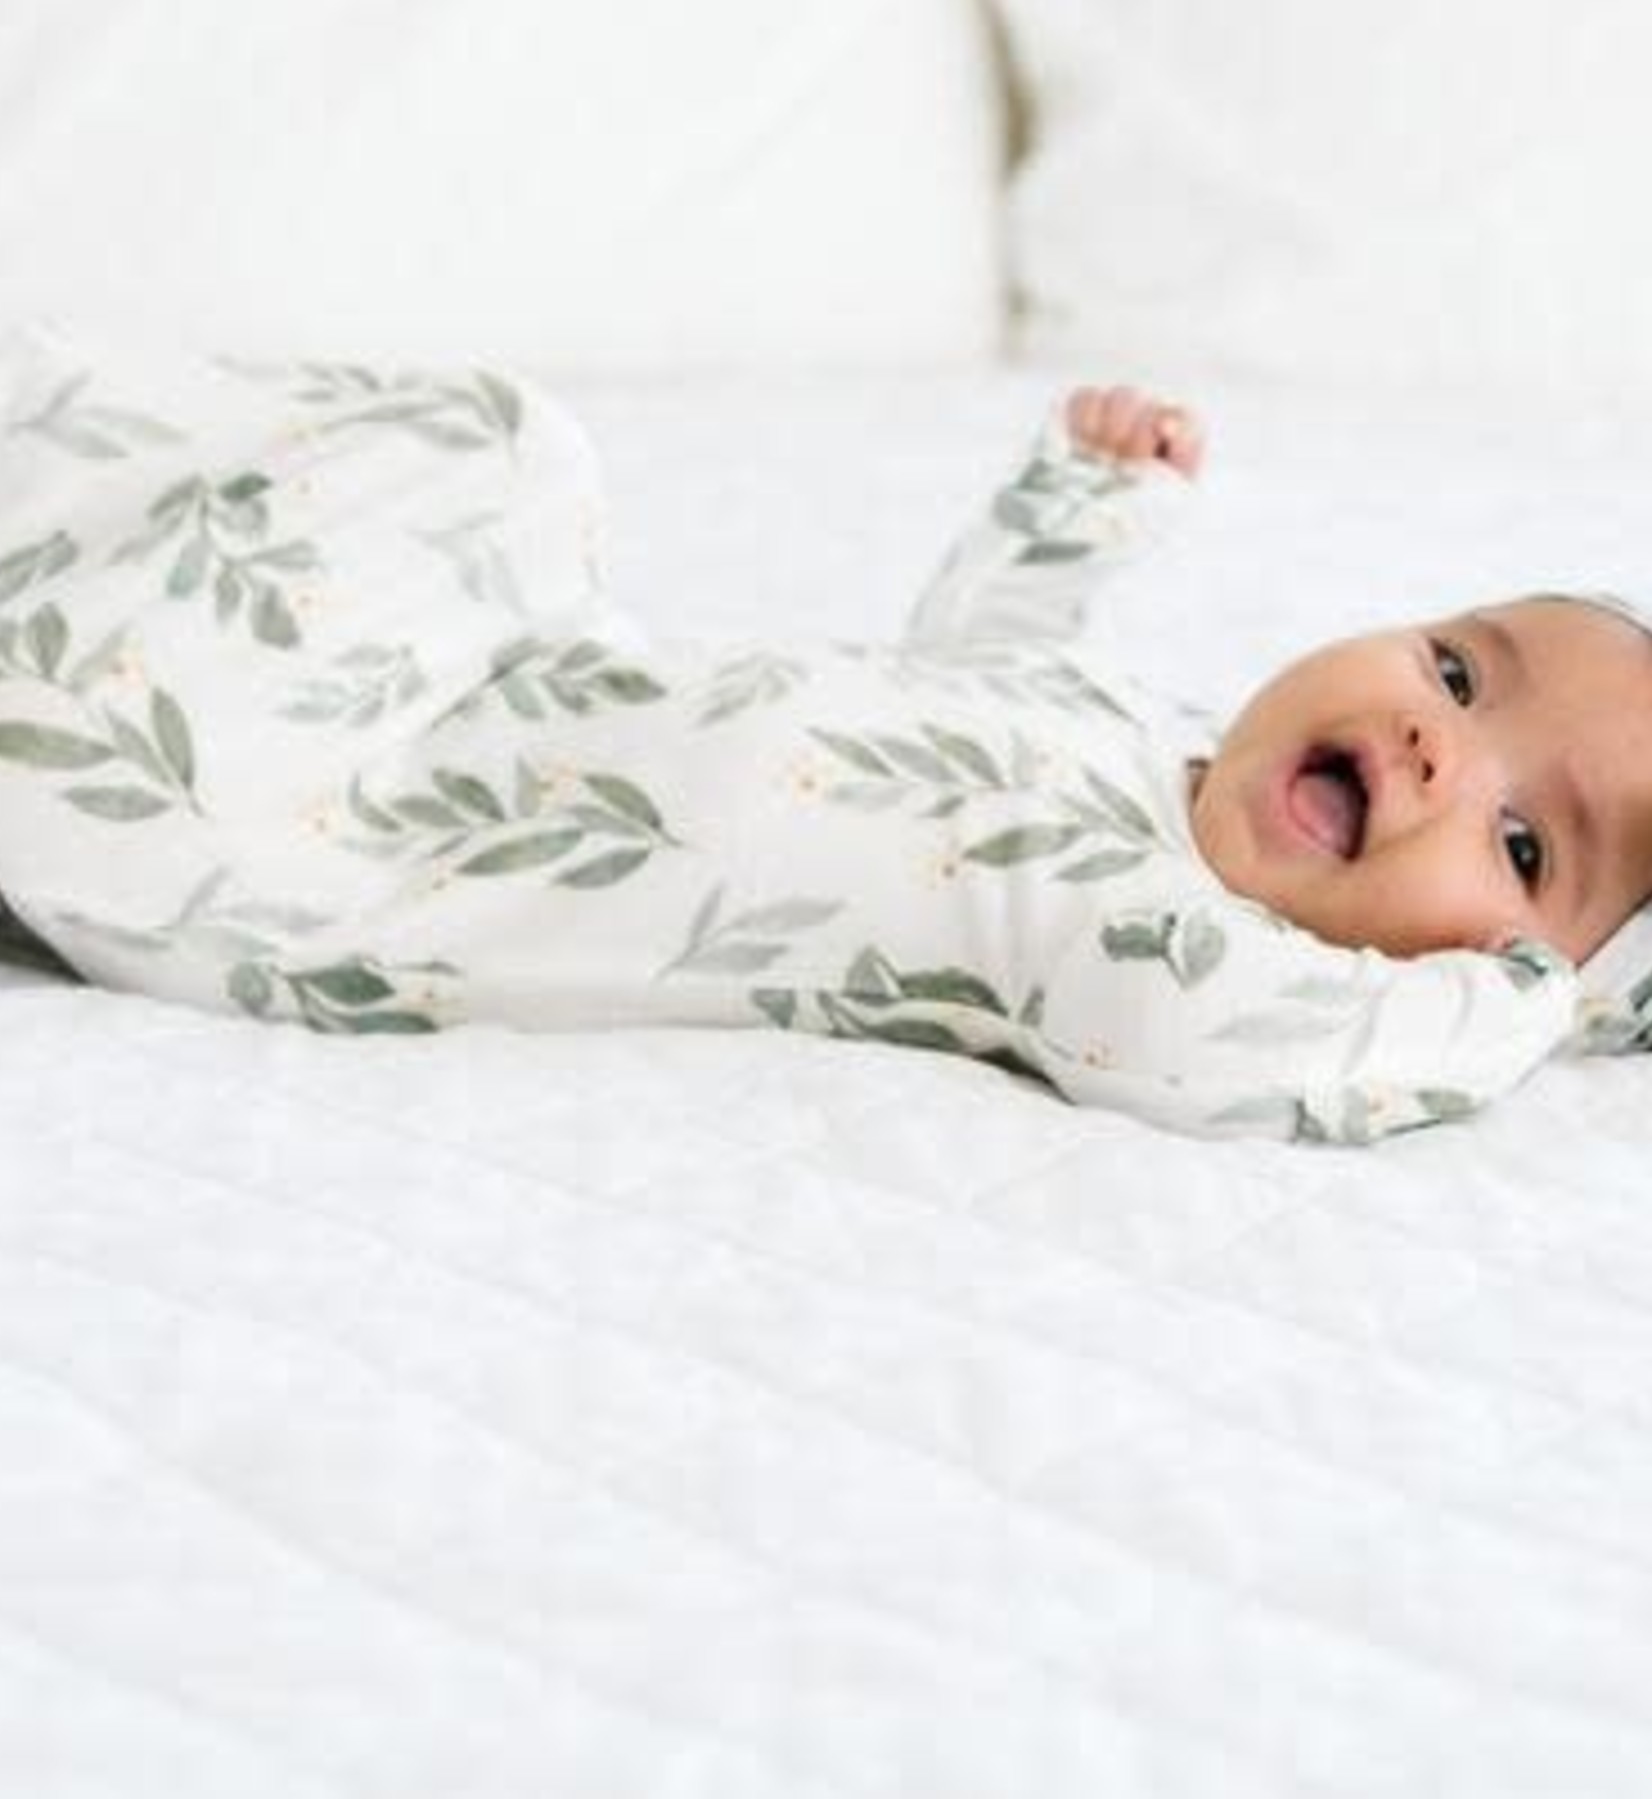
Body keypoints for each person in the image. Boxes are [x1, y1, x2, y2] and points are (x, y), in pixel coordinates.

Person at [1, 327, 1649, 1145]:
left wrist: (1529, 1003)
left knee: (478, 463)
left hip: (315, 841)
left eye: (1524, 845)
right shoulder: (1158, 739)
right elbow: (948, 677)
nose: (1443, 749)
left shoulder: (1153, 948)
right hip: (495, 682)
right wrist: (1078, 519)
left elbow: (1228, 1053)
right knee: (502, 458)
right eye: (1453, 667)